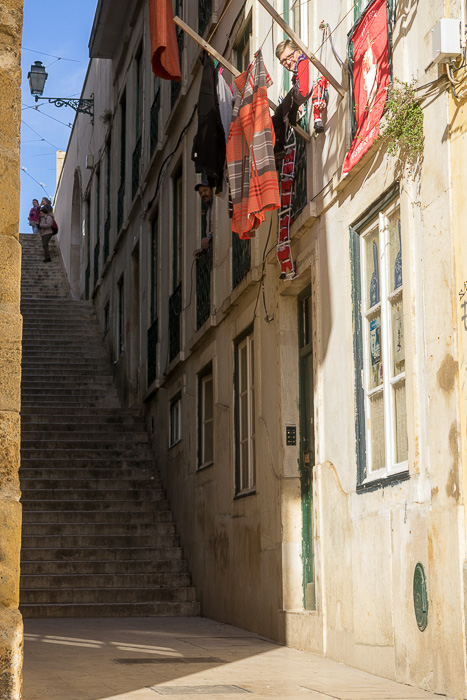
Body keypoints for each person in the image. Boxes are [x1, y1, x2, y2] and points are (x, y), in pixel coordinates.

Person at [275, 40, 328, 139]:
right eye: (283, 61)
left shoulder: (303, 61)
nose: (288, 62)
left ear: (299, 51)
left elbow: (303, 92)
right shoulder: (295, 77)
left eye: (290, 56)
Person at [193, 180, 213, 258]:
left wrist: (210, 238)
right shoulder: (208, 211)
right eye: (200, 193)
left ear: (211, 190)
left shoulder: (217, 206)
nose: (203, 194)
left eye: (205, 190)